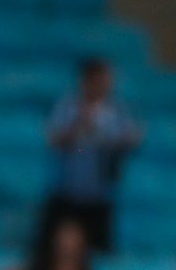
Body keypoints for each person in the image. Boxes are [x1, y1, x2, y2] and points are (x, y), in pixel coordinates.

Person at [39, 56, 141, 254]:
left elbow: (130, 140)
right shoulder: (68, 108)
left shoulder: (116, 112)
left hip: (100, 193)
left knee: (99, 250)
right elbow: (54, 140)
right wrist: (79, 124)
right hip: (67, 192)